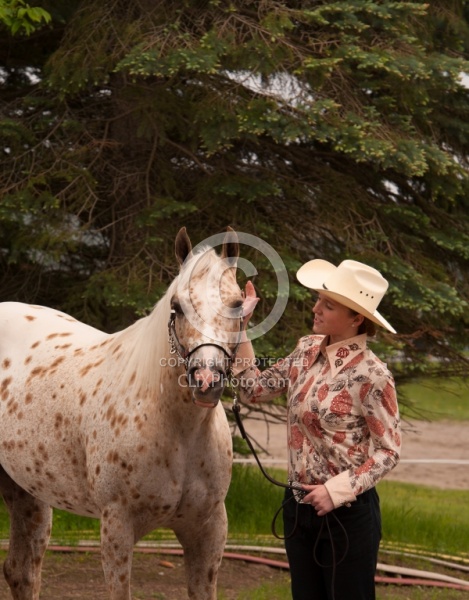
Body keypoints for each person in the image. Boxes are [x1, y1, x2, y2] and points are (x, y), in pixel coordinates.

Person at [233, 259, 401, 600]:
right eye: (319, 299)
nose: (315, 308)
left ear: (357, 319)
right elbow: (253, 390)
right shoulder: (306, 349)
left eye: (328, 304)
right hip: (297, 507)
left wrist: (335, 491)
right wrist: (241, 328)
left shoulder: (373, 374)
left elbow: (389, 451)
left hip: (347, 515)